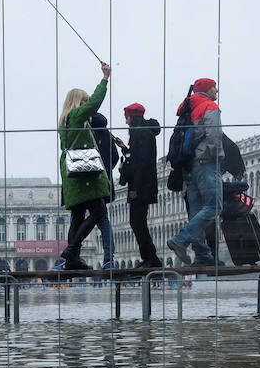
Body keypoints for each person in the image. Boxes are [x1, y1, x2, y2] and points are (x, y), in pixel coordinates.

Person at [54, 61, 113, 271]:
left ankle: (72, 260)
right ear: (79, 102)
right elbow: (95, 103)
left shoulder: (65, 120)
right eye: (84, 102)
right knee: (98, 212)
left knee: (77, 217)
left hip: (71, 174)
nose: (88, 106)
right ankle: (72, 250)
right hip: (85, 172)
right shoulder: (77, 116)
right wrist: (105, 78)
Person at [165, 77, 222, 267]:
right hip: (205, 161)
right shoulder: (209, 107)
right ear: (206, 89)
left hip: (189, 163)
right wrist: (215, 156)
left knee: (196, 209)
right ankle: (181, 239)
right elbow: (213, 136)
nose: (216, 90)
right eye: (214, 86)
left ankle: (202, 253)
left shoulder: (188, 107)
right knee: (215, 205)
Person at [119, 102, 162, 268]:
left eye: (127, 118)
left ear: (132, 117)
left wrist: (135, 188)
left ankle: (151, 258)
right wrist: (125, 148)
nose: (126, 122)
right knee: (137, 222)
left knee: (137, 222)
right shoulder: (142, 133)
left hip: (141, 186)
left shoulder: (141, 134)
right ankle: (150, 258)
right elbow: (137, 158)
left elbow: (141, 164)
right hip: (143, 184)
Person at [88, 110, 120, 268]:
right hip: (105, 182)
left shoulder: (90, 135)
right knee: (103, 221)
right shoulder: (108, 135)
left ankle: (72, 253)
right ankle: (109, 257)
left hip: (92, 183)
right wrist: (107, 169)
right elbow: (115, 157)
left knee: (79, 219)